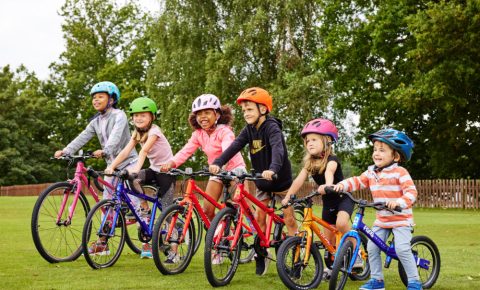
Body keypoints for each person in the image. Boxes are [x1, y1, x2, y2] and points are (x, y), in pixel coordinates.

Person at [209, 87, 297, 276]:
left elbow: (278, 150)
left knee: (289, 218)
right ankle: (261, 254)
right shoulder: (249, 130)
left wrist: (273, 169)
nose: (246, 114)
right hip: (262, 182)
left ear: (263, 109)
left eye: (250, 109)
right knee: (259, 219)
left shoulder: (272, 127)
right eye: (244, 111)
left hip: (281, 182)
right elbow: (235, 146)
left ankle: (295, 256)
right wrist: (218, 162)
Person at [54, 81, 139, 256]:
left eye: (100, 96)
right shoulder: (96, 122)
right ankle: (103, 243)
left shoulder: (119, 115)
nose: (96, 100)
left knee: (137, 204)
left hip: (129, 163)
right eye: (94, 97)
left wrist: (106, 150)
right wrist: (66, 150)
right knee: (106, 204)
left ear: (111, 99)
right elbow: (82, 136)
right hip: (111, 167)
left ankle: (149, 240)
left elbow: (115, 137)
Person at [330, 128, 422, 290]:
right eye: (375, 150)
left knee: (401, 249)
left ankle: (414, 282)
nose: (376, 153)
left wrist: (399, 202)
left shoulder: (400, 172)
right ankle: (377, 280)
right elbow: (357, 181)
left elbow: (411, 192)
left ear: (396, 156)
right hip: (382, 219)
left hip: (401, 219)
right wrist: (341, 185)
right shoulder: (371, 172)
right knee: (372, 248)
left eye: (382, 150)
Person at [282, 118, 361, 278]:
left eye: (314, 139)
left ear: (327, 141)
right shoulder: (309, 163)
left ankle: (357, 254)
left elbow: (329, 173)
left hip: (342, 198)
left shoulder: (332, 160)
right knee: (328, 241)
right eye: (307, 140)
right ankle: (332, 267)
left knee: (341, 224)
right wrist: (288, 196)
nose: (309, 143)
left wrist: (327, 185)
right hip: (328, 203)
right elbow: (298, 180)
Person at [105, 97, 175, 260]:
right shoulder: (137, 133)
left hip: (167, 173)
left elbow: (143, 152)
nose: (139, 118)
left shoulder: (155, 132)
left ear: (152, 117)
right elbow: (125, 152)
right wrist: (112, 166)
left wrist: (135, 169)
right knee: (133, 180)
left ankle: (174, 251)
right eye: (136, 116)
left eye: (143, 115)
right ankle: (145, 208)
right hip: (153, 170)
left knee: (167, 211)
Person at [161, 93, 246, 222]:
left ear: (217, 115)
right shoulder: (198, 134)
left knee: (240, 206)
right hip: (216, 172)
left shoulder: (225, 131)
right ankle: (218, 236)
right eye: (199, 114)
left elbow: (228, 149)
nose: (203, 117)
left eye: (207, 112)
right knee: (207, 210)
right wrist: (171, 163)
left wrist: (219, 165)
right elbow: (185, 151)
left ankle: (256, 233)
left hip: (234, 170)